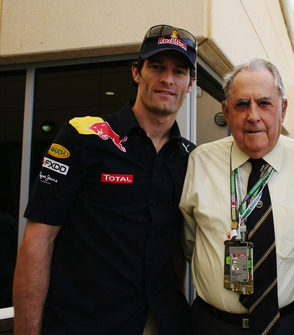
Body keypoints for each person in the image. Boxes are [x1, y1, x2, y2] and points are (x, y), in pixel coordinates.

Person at [13, 24, 197, 334]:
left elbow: (175, 252)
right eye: (156, 66)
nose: (167, 79)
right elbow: (38, 240)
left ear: (190, 84)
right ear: (136, 72)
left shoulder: (189, 158)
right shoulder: (84, 136)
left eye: (179, 71)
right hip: (86, 323)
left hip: (162, 321)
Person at [179, 58, 294, 335]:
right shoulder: (200, 161)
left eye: (264, 103)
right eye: (241, 104)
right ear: (226, 110)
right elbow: (190, 240)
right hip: (214, 326)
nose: (253, 116)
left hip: (289, 325)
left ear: (282, 109)